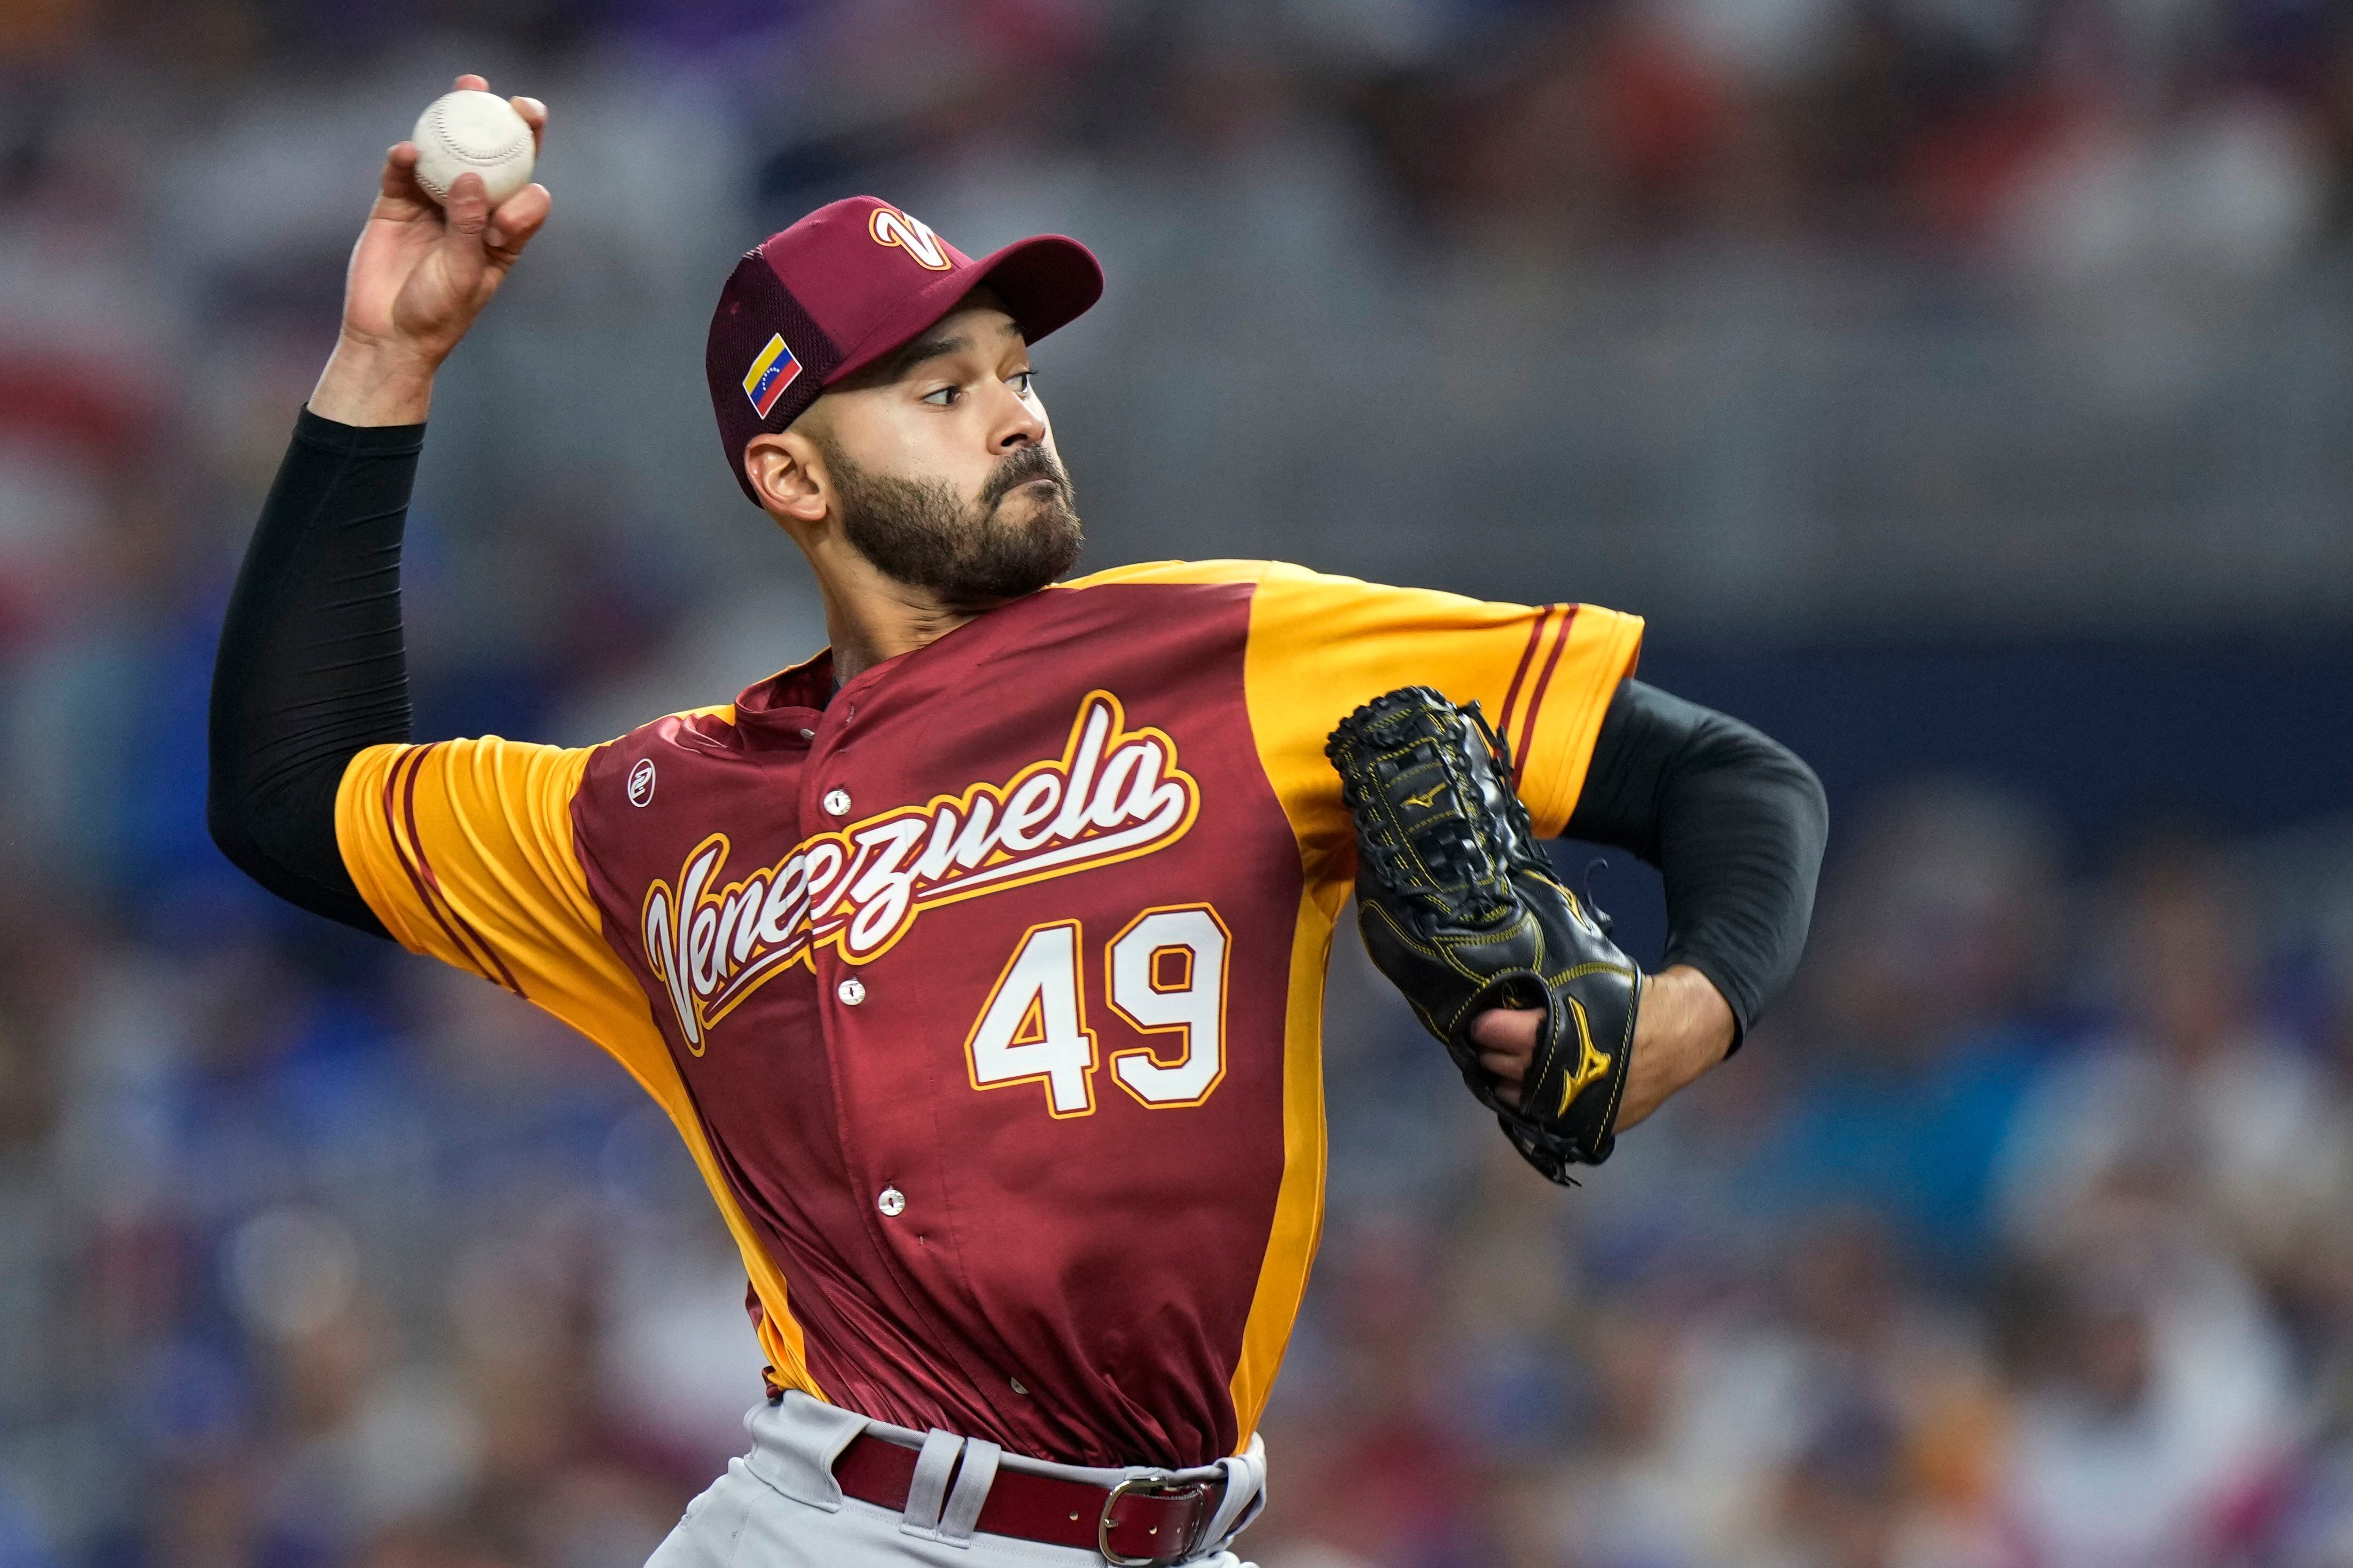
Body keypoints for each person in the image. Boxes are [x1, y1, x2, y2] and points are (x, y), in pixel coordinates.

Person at [208, 76, 1828, 1568]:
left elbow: (1736, 782)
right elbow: (291, 797)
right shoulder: (652, 812)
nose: (1016, 414)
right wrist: (386, 361)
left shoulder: (1236, 647)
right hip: (835, 1528)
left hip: (1181, 1532)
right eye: (938, 387)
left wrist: (1691, 1009)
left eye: (1016, 372)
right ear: (790, 476)